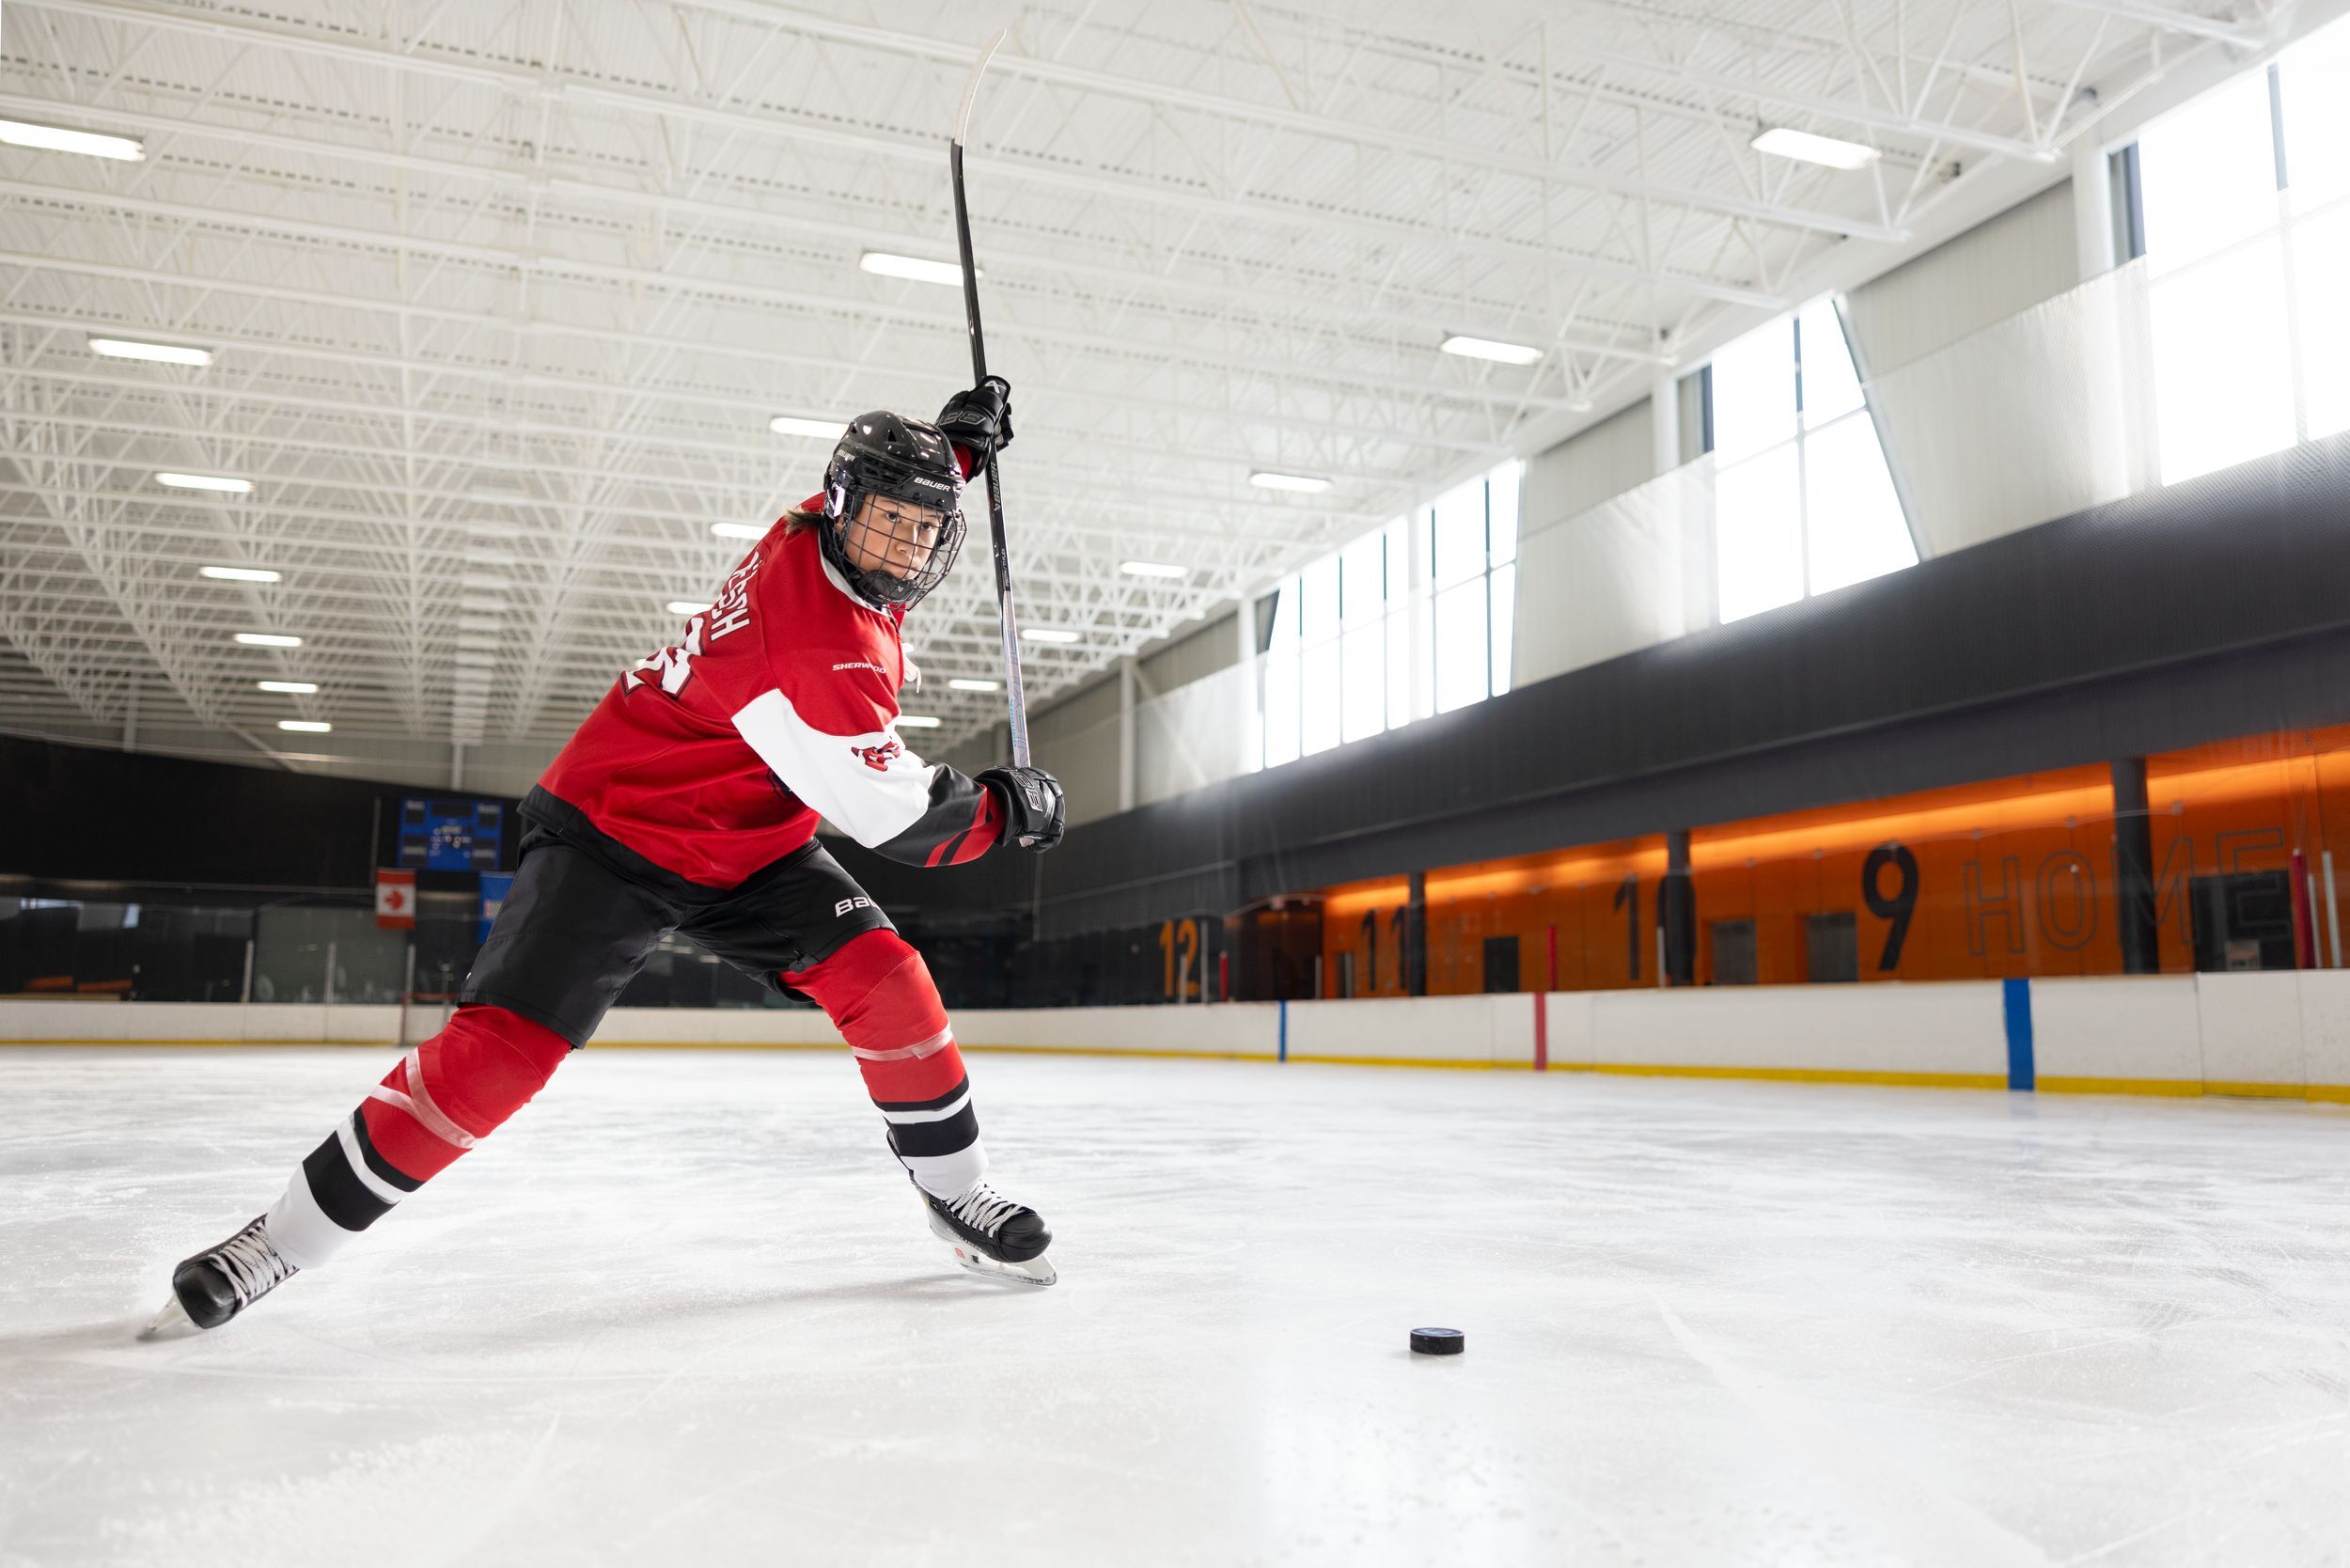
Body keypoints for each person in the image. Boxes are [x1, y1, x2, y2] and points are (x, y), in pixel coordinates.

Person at [143, 380, 1067, 1338]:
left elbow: (890, 500)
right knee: (500, 1058)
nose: (907, 551)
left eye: (924, 530)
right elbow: (895, 819)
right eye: (889, 526)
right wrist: (1007, 809)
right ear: (841, 512)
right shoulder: (816, 647)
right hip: (618, 829)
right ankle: (272, 1245)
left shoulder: (808, 532)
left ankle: (958, 1196)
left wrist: (957, 454)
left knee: (889, 981)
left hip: (745, 842)